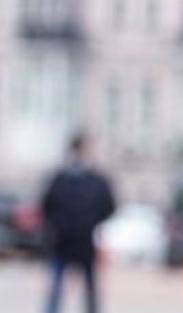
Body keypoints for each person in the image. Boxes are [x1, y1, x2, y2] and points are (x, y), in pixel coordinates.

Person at [41, 133, 116, 313]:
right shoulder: (60, 179)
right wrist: (59, 224)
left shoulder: (95, 180)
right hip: (63, 241)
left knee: (89, 288)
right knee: (57, 287)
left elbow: (109, 205)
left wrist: (92, 222)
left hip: (85, 240)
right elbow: (46, 206)